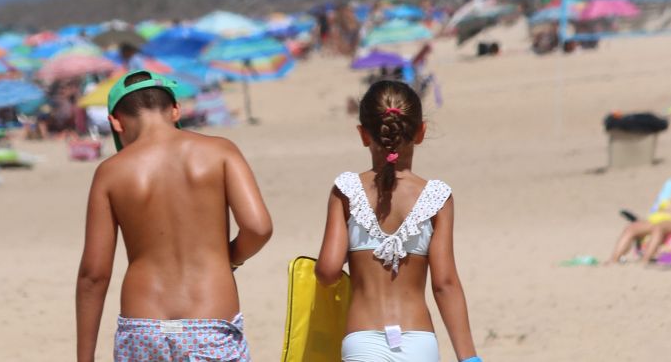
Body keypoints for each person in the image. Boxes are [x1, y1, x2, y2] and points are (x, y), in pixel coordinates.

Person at [76, 71, 273, 362]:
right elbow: (258, 227)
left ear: (115, 121)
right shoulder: (220, 151)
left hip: (142, 327)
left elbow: (94, 274)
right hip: (210, 321)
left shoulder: (110, 173)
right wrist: (229, 258)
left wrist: (84, 358)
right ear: (176, 109)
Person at [315, 80, 478, 362]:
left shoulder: (346, 191)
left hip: (362, 341)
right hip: (418, 342)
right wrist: (469, 357)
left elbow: (327, 271)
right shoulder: (436, 197)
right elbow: (445, 284)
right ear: (421, 132)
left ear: (364, 134)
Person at [607, 172, 671, 265]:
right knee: (631, 228)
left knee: (658, 229)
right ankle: (613, 260)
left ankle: (644, 260)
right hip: (653, 221)